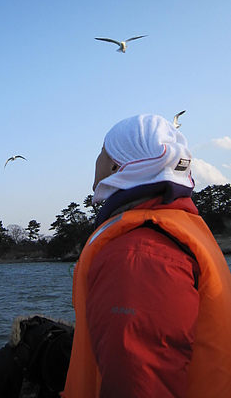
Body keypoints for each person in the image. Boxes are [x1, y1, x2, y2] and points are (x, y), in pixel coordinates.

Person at [62, 113, 231, 398]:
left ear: (117, 164)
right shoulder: (178, 226)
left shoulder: (138, 255)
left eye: (102, 151)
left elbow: (140, 385)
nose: (96, 159)